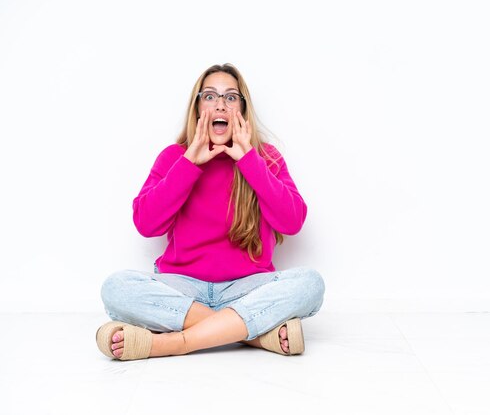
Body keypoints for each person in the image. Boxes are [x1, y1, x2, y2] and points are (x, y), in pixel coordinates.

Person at [95, 63, 325, 360]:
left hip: (246, 288)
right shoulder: (174, 157)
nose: (220, 104)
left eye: (231, 97)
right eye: (210, 96)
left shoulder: (266, 158)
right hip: (183, 288)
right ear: (198, 108)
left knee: (311, 284)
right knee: (117, 289)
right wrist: (190, 162)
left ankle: (174, 343)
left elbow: (292, 221)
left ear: (242, 109)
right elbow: (146, 224)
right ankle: (252, 336)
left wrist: (249, 162)